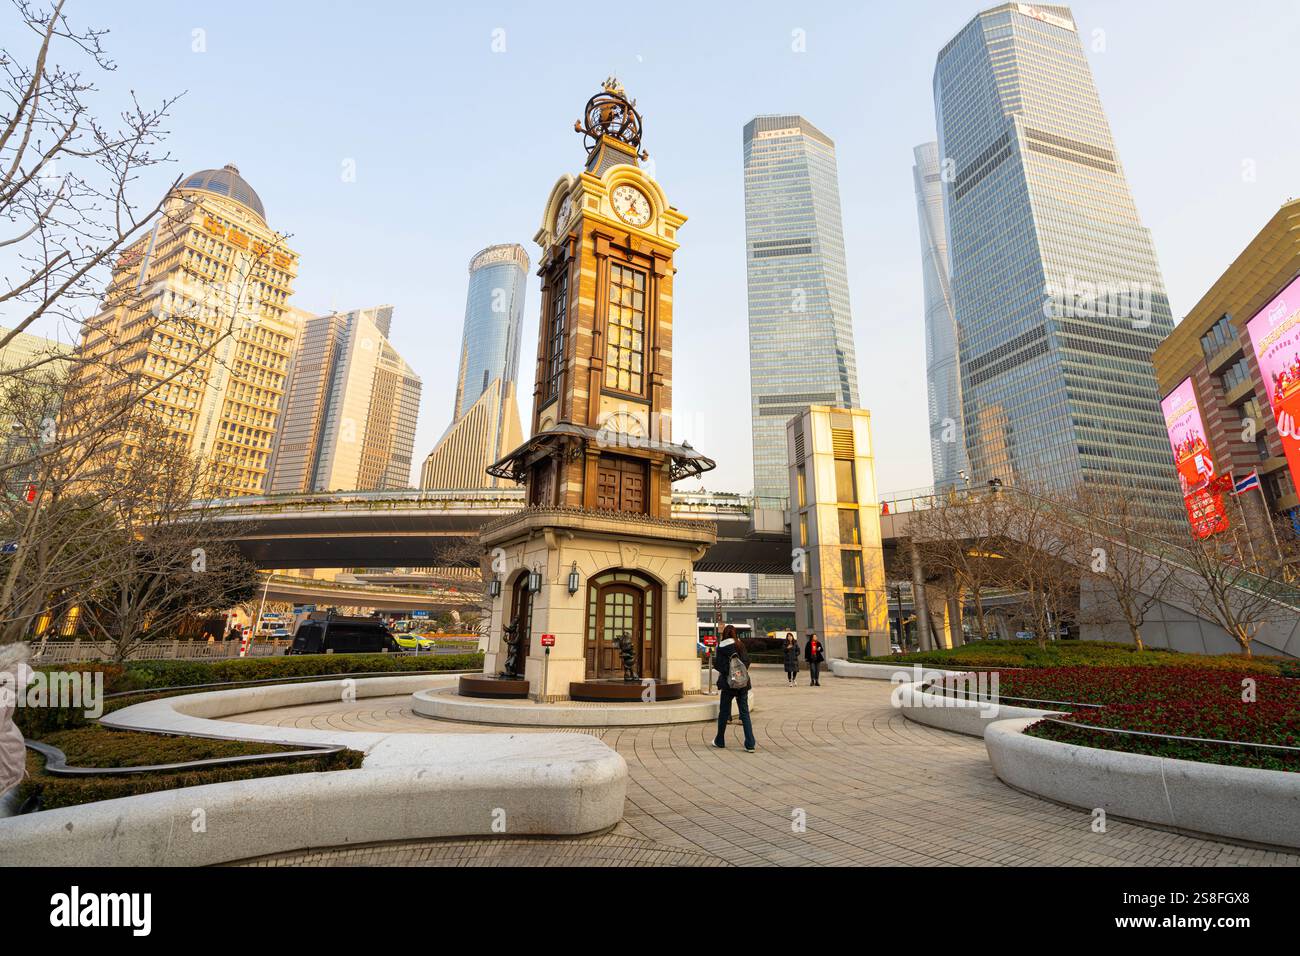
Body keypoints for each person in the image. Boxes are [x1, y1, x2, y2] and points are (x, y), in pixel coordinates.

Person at [711, 624, 756, 753]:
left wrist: (729, 674)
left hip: (728, 685)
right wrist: (739, 674)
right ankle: (750, 744)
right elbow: (747, 661)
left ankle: (720, 741)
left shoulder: (721, 646)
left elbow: (719, 665)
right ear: (735, 634)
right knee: (744, 713)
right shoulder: (739, 644)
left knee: (724, 713)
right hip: (742, 684)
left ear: (724, 634)